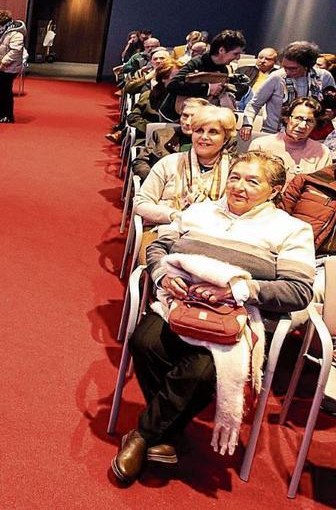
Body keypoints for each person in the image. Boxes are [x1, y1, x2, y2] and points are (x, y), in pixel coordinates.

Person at [112, 151, 314, 487]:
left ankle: (142, 435)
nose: (239, 186)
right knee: (143, 342)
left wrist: (238, 290)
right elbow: (159, 246)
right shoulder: (200, 210)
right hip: (181, 304)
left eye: (253, 181)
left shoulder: (292, 230)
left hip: (236, 318)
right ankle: (166, 434)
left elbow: (297, 291)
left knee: (202, 371)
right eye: (235, 177)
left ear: (275, 190)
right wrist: (163, 275)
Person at [134, 106, 238, 227]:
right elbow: (140, 203)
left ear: (225, 138)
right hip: (165, 228)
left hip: (215, 232)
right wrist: (174, 216)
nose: (204, 137)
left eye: (213, 132)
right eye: (199, 130)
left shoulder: (235, 171)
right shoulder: (169, 162)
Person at [242, 41, 335, 138]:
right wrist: (247, 124)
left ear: (307, 66)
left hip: (311, 136)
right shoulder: (277, 77)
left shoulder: (324, 77)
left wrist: (331, 113)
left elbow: (332, 105)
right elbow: (254, 104)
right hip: (275, 134)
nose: (287, 71)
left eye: (293, 68)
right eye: (284, 67)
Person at [158, 29, 249, 121]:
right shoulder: (196, 63)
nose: (238, 58)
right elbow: (173, 85)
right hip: (173, 117)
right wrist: (208, 88)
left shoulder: (223, 69)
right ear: (221, 50)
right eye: (235, 54)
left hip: (198, 118)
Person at [130, 97, 209, 181]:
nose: (187, 122)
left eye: (194, 117)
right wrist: (155, 180)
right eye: (185, 116)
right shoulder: (161, 135)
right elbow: (140, 162)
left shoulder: (209, 143)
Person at [250, 97, 332, 176]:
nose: (302, 125)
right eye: (298, 118)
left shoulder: (322, 153)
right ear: (287, 119)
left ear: (315, 124)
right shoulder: (260, 145)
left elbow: (320, 187)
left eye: (309, 121)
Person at [0, 10, 24, 123]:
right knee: (2, 91)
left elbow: (15, 51)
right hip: (4, 66)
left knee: (6, 92)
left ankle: (7, 116)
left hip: (9, 67)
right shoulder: (6, 30)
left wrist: (3, 63)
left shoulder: (16, 33)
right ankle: (0, 113)